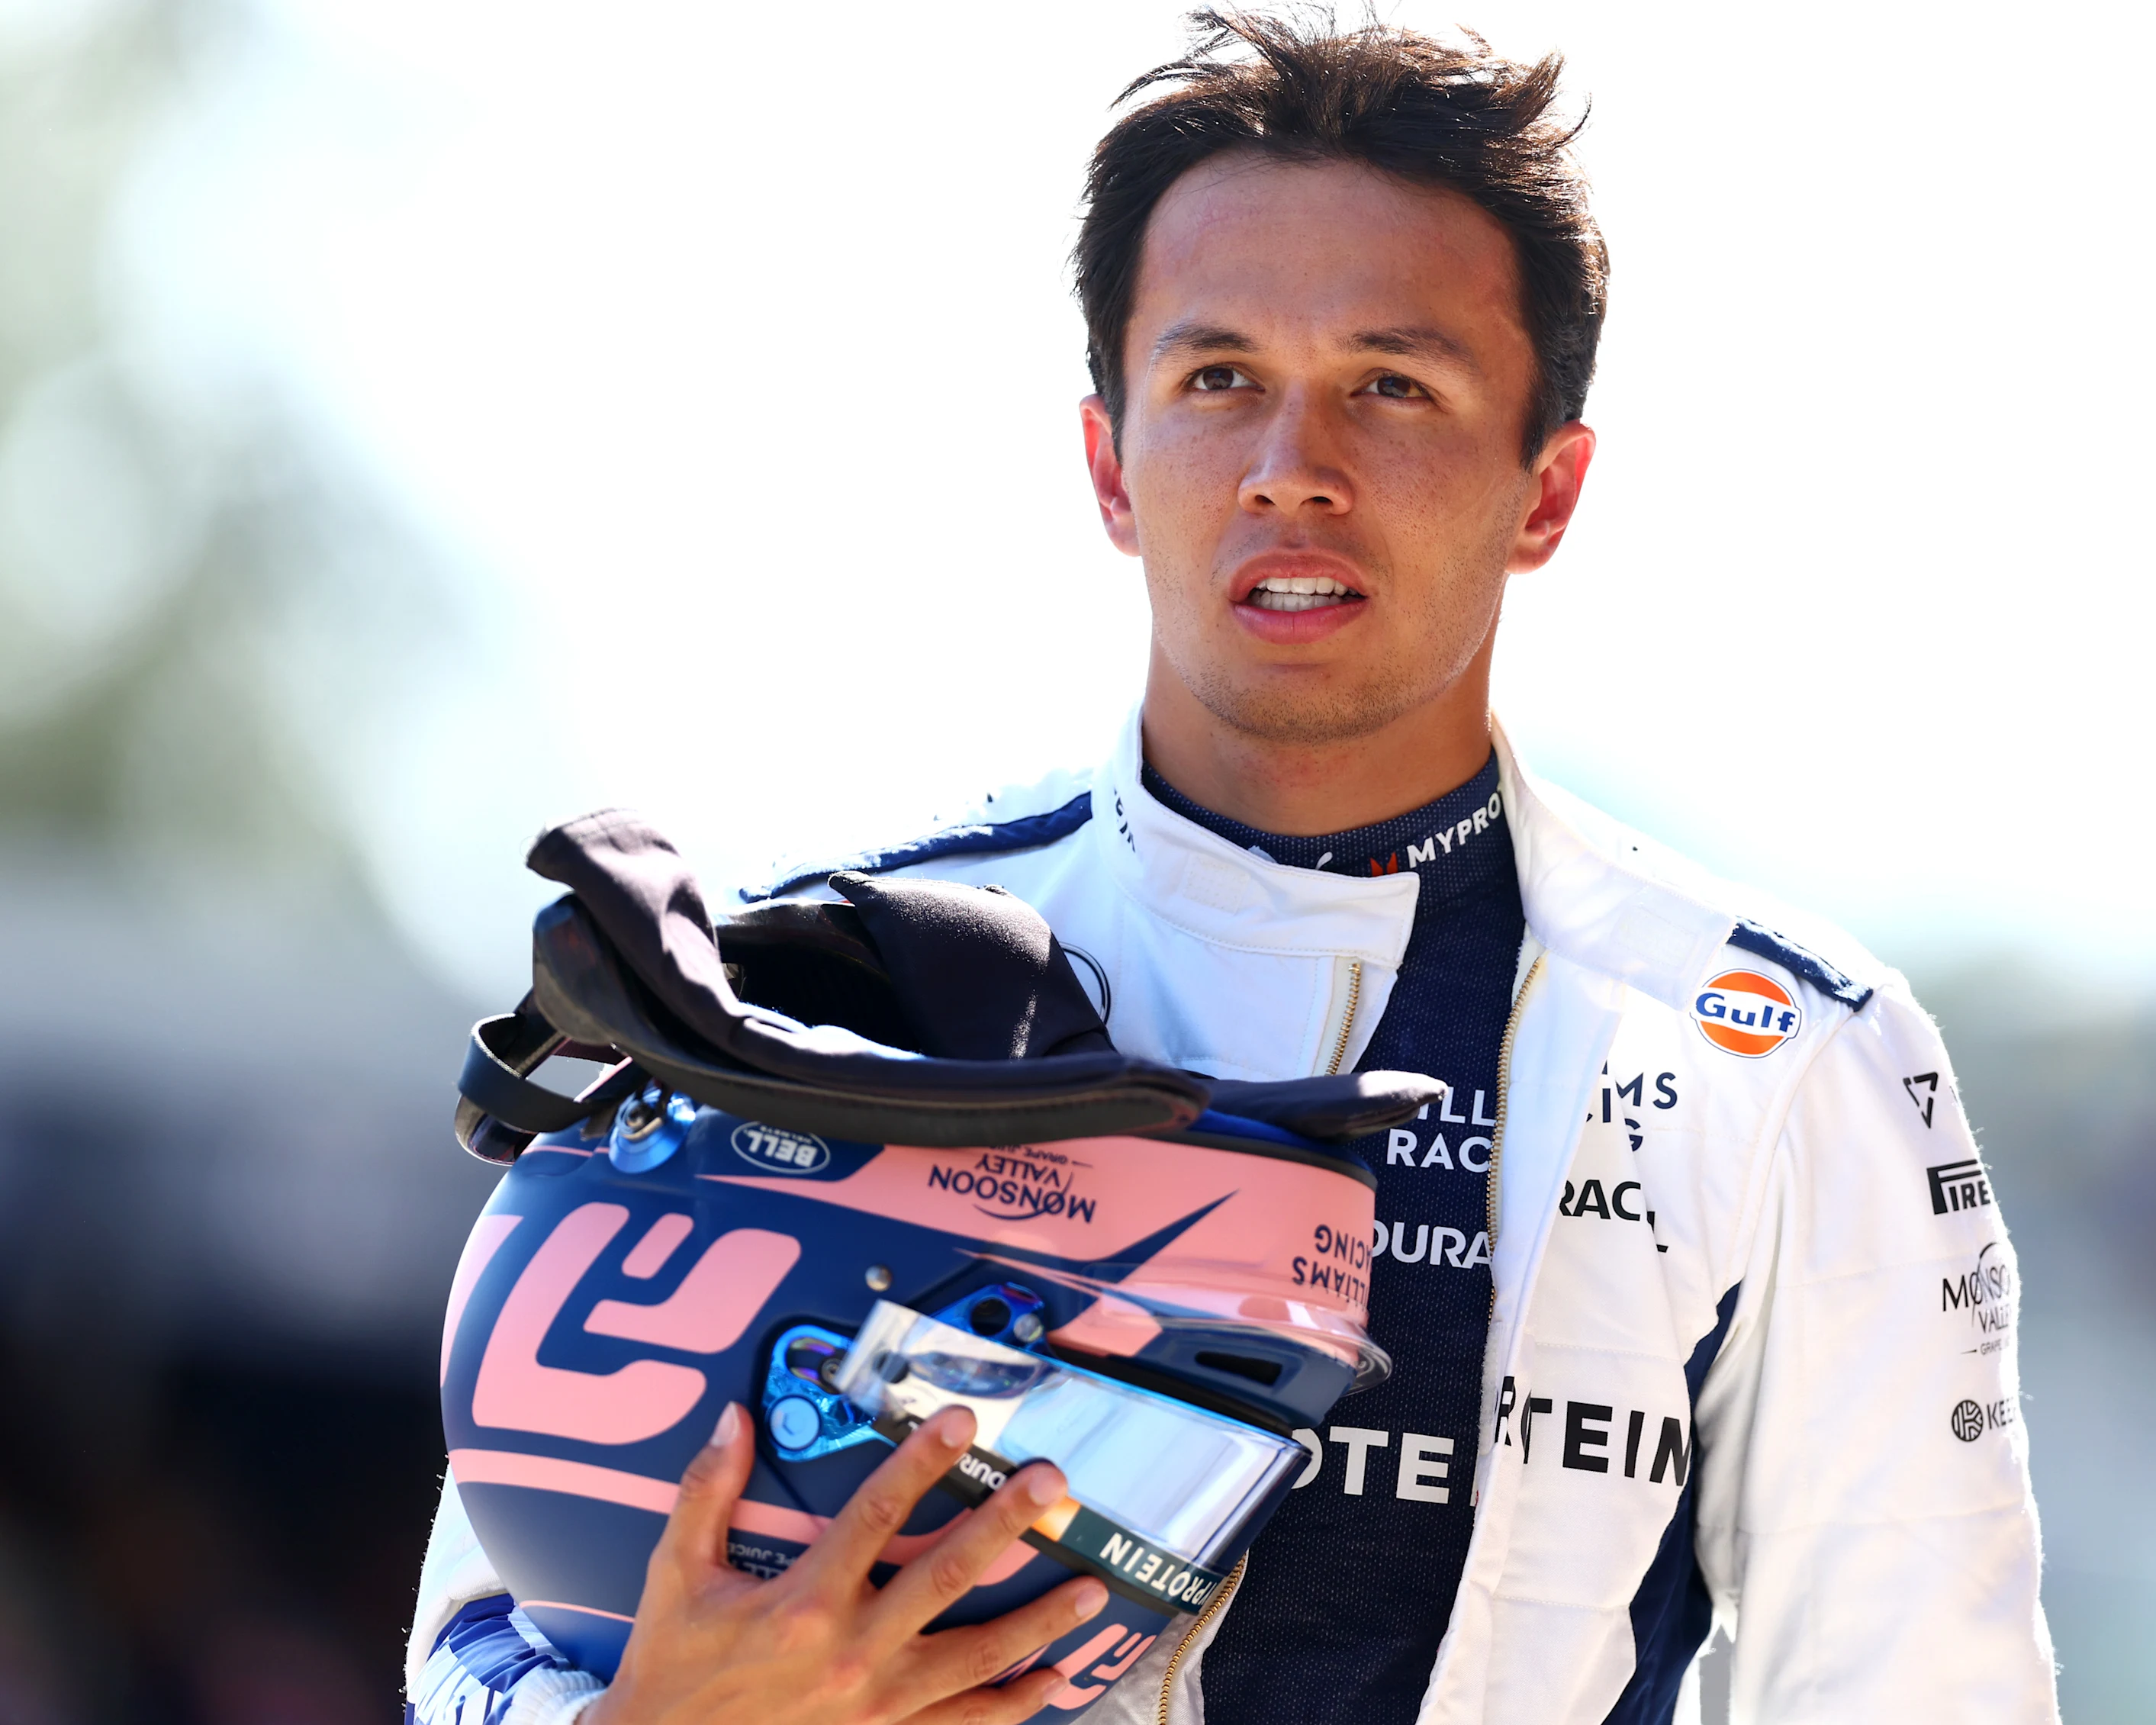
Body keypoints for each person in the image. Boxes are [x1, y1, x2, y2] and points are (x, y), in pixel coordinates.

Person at [407, 12, 2058, 1723]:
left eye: (1390, 386)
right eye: (1217, 381)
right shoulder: (811, 983)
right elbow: (475, 1638)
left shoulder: (1780, 1050)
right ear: (1112, 463)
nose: (1294, 469)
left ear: (1546, 487)